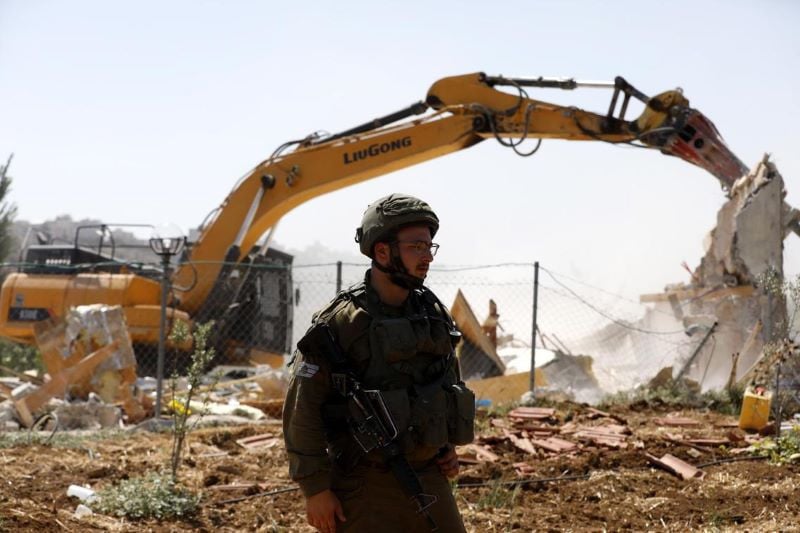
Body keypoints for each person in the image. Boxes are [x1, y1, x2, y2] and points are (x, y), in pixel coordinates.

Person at [283, 193, 475, 532]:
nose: (427, 257)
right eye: (416, 246)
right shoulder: (339, 325)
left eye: (430, 246)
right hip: (364, 484)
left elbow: (445, 382)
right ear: (382, 251)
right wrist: (315, 489)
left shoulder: (432, 314)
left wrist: (445, 446)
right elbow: (303, 409)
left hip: (427, 477)